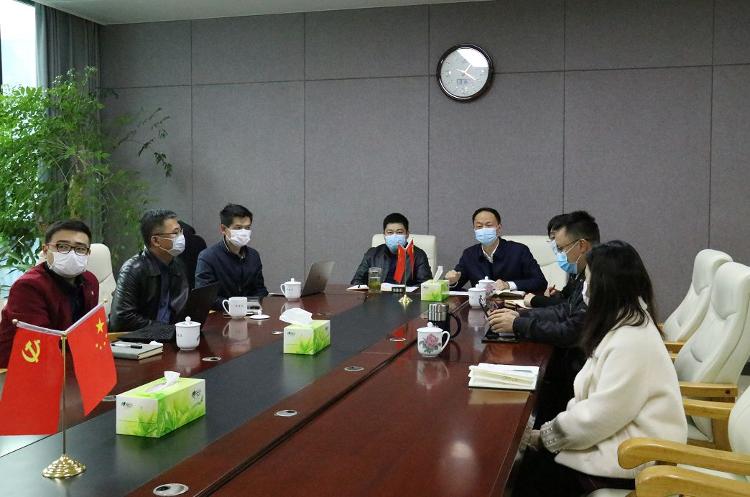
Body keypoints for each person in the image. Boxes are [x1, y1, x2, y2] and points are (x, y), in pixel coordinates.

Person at [513, 241, 687, 496]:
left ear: (605, 286)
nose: (584, 287)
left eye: (588, 280)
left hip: (635, 455)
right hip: (617, 438)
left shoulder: (630, 340)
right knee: (528, 465)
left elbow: (598, 415)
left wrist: (547, 436)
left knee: (527, 477)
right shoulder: (624, 321)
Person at [489, 211, 599, 424]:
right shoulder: (584, 271)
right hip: (580, 358)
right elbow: (565, 309)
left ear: (582, 245)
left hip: (580, 365)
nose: (559, 254)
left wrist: (519, 324)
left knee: (533, 373)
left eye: (561, 248)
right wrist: (520, 316)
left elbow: (571, 331)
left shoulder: (598, 278)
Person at [0, 220, 98, 367]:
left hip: (70, 362)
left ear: (88, 253)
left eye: (80, 249)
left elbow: (88, 332)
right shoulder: (29, 286)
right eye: (62, 247)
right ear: (46, 250)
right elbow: (41, 343)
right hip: (21, 368)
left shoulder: (90, 281)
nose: (72, 254)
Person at [109, 209, 189, 331]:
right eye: (175, 233)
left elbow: (181, 307)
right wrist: (166, 330)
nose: (181, 237)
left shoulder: (178, 265)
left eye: (180, 232)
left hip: (172, 335)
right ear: (155, 241)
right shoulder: (133, 269)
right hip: (142, 338)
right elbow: (121, 319)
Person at [446, 207, 546, 292]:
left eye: (489, 225)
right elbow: (454, 286)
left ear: (499, 227)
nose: (484, 229)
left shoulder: (519, 251)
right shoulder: (469, 254)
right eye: (479, 226)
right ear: (474, 229)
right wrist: (452, 281)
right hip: (481, 305)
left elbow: (540, 282)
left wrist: (508, 285)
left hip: (513, 305)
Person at [195, 203, 268, 310]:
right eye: (238, 228)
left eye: (247, 228)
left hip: (250, 313)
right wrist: (237, 306)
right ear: (223, 229)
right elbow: (205, 297)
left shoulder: (253, 255)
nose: (244, 232)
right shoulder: (208, 257)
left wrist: (247, 306)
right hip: (221, 315)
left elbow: (261, 290)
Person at [351, 213, 432, 286]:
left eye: (399, 232)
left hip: (405, 297)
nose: (394, 236)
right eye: (390, 232)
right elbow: (356, 281)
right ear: (384, 235)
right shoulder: (372, 254)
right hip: (377, 296)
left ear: (407, 234)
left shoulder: (418, 255)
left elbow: (426, 286)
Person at [525, 213, 570, 308]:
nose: (556, 244)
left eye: (556, 238)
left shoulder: (591, 270)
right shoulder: (575, 272)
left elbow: (572, 308)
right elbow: (571, 299)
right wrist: (559, 295)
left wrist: (536, 300)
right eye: (552, 238)